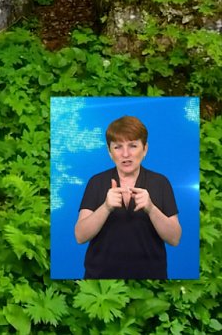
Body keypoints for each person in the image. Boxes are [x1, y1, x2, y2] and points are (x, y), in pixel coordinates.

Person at [74, 115, 181, 279]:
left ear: (145, 149)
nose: (125, 154)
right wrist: (106, 207)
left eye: (133, 146)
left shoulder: (161, 183)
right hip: (100, 280)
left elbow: (174, 239)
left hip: (150, 281)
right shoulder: (96, 182)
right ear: (110, 152)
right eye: (117, 147)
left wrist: (151, 209)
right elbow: (80, 236)